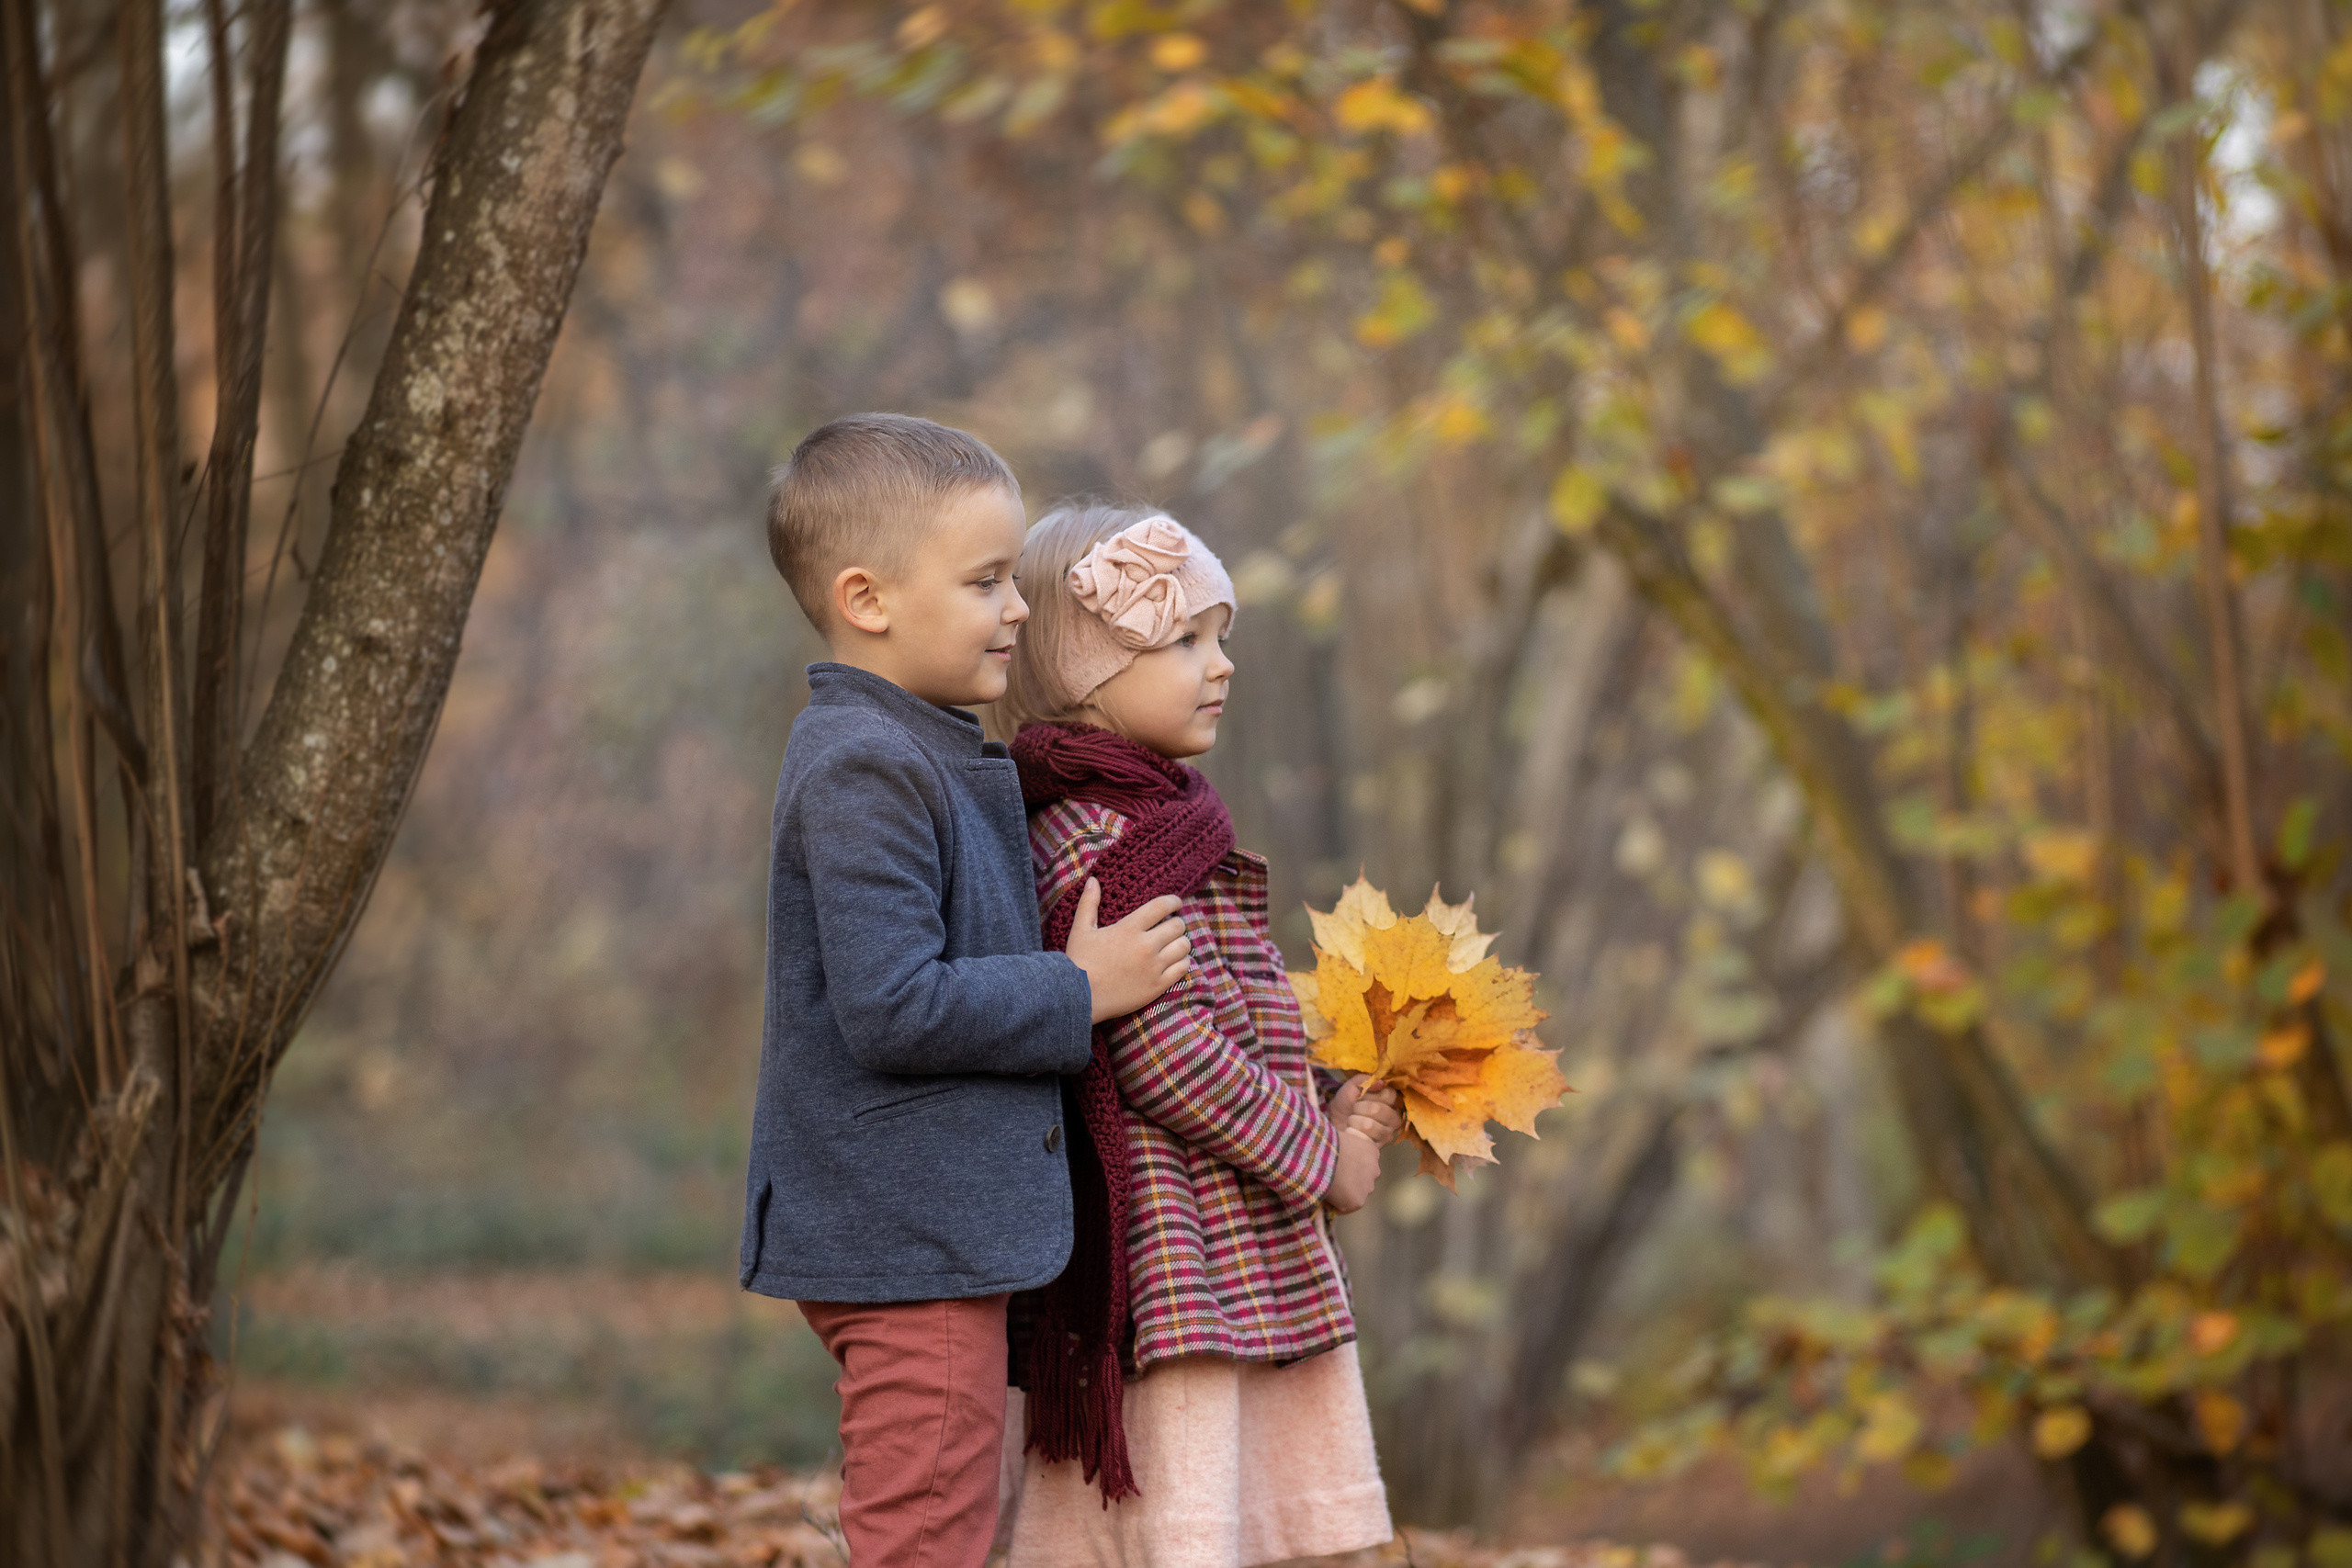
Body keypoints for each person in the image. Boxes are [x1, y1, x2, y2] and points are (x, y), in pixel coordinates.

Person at [741, 418, 1195, 1568]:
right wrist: (1075, 988)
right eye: (988, 581)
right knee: (923, 1543)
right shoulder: (863, 763)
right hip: (908, 1239)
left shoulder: (921, 746)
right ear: (868, 598)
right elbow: (891, 1006)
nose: (1020, 609)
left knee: (938, 1527)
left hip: (930, 1232)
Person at [989, 502, 1405, 1568]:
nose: (1220, 666)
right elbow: (1163, 1053)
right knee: (1185, 1515)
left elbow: (1220, 1014)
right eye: (1184, 641)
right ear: (1087, 674)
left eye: (1221, 637)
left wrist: (1323, 1093)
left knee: (1245, 1504)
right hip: (1180, 1248)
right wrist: (1327, 1160)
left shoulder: (1156, 818)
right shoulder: (1101, 838)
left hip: (1229, 1233)